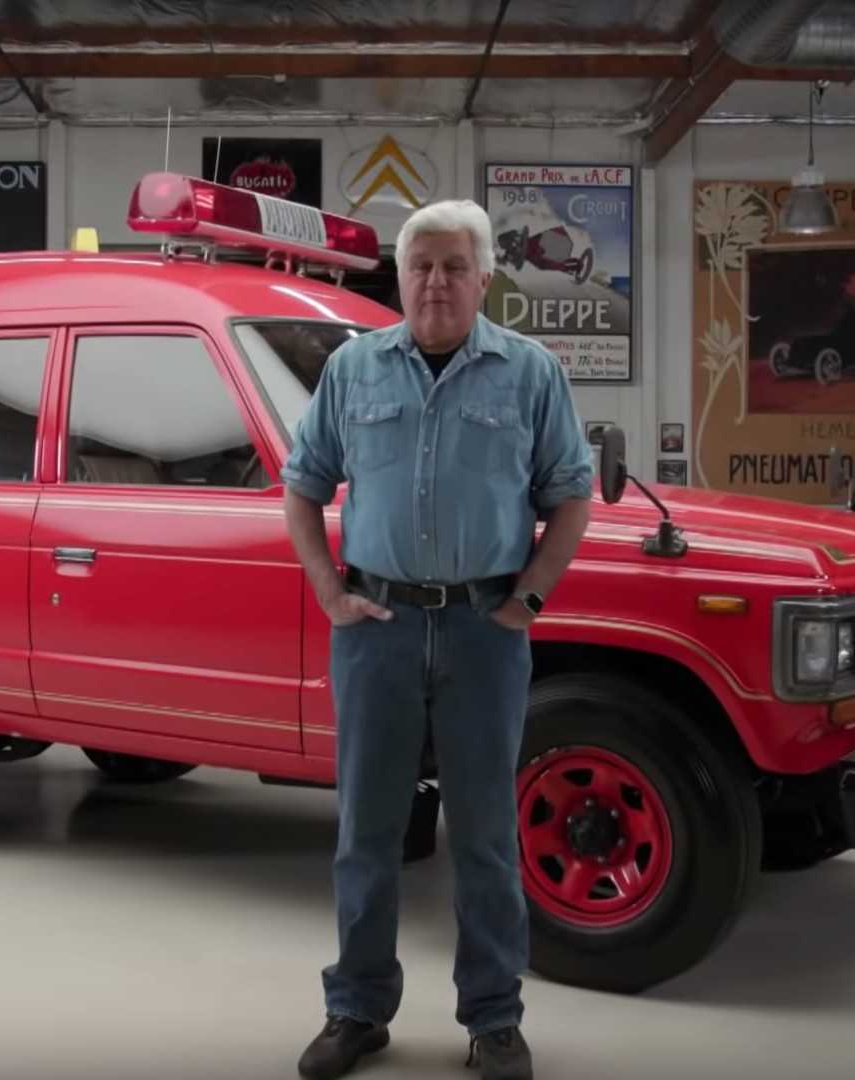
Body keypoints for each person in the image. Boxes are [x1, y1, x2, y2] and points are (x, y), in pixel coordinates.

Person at [281, 199, 594, 1080]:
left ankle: (494, 1018)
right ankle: (356, 1010)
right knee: (367, 831)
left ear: (485, 277)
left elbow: (571, 495)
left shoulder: (529, 374)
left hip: (483, 631)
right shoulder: (354, 370)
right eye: (421, 265)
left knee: (487, 834)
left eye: (456, 266)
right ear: (401, 274)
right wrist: (330, 592)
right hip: (374, 630)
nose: (436, 282)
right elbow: (301, 487)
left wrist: (527, 602)